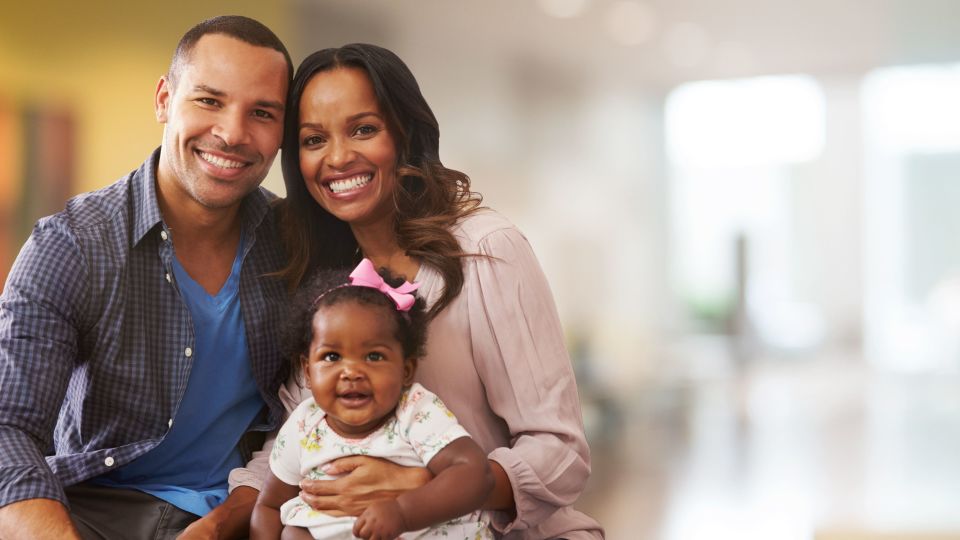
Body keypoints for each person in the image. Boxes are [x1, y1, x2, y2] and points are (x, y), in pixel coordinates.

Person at [267, 43, 604, 539]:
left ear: (406, 135)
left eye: (364, 129)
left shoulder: (487, 249)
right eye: (314, 139)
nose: (338, 157)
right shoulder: (321, 282)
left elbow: (561, 453)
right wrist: (221, 520)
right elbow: (293, 441)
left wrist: (422, 489)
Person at [0, 15, 295, 540]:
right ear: (164, 99)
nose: (232, 133)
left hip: (243, 513)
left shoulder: (296, 246)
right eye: (209, 100)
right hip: (91, 510)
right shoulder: (72, 246)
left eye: (262, 113)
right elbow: (8, 427)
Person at [251, 259, 494, 540]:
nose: (352, 372)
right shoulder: (303, 424)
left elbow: (476, 475)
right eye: (332, 356)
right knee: (293, 533)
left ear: (406, 370)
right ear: (307, 370)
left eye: (374, 356)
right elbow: (268, 505)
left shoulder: (414, 411)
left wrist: (402, 512)